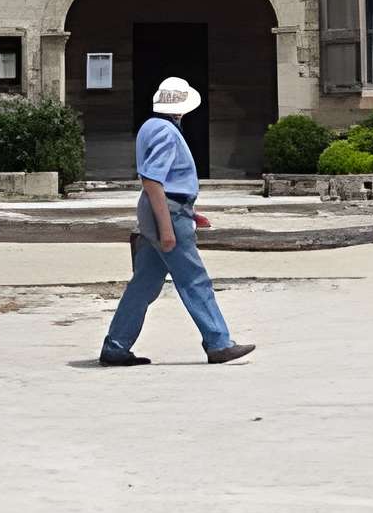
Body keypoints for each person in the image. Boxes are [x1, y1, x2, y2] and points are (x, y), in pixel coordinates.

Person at [98, 77, 256, 367]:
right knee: (195, 280)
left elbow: (160, 182)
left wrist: (190, 213)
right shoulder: (167, 132)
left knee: (144, 284)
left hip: (163, 209)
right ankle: (218, 343)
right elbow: (153, 180)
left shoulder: (150, 127)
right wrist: (169, 227)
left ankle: (116, 346)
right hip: (167, 213)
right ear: (182, 108)